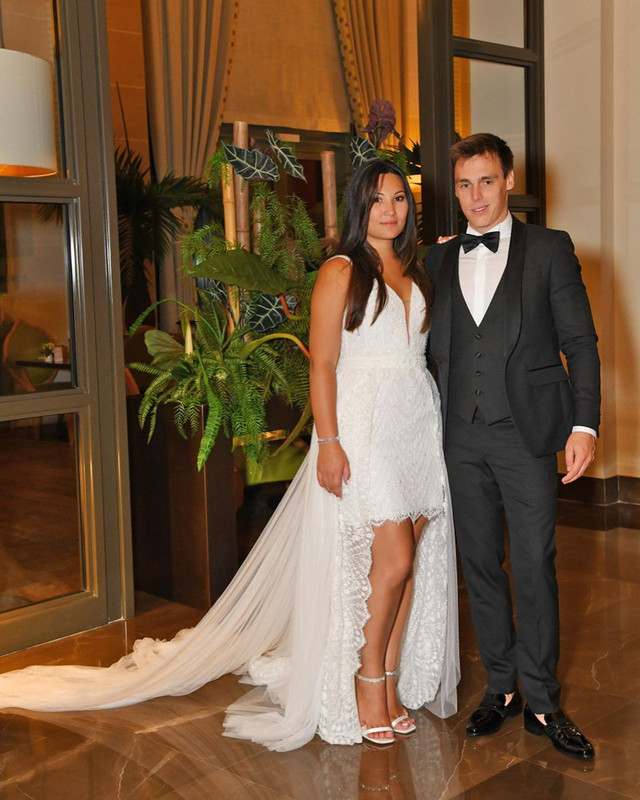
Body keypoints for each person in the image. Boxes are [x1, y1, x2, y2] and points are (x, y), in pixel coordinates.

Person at [0, 159, 458, 752]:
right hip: (365, 429)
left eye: (398, 199)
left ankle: (390, 680)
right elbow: (322, 364)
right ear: (358, 207)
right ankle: (366, 680)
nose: (389, 210)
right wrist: (329, 443)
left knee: (408, 565)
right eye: (376, 199)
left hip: (416, 425)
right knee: (390, 564)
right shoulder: (341, 270)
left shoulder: (417, 271)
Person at [426, 133, 600, 760]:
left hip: (527, 435)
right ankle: (501, 688)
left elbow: (580, 343)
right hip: (459, 436)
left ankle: (544, 701)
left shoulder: (549, 249)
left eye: (487, 181)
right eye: (464, 184)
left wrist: (584, 426)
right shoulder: (436, 260)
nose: (476, 195)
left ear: (508, 181)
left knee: (533, 563)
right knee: (479, 564)